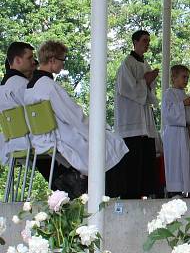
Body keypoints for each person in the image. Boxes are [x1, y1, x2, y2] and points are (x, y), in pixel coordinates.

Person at [25, 41, 128, 195]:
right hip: (61, 138)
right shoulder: (49, 86)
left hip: (41, 138)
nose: (63, 65)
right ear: (52, 60)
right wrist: (99, 128)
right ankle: (109, 195)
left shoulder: (29, 88)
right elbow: (74, 116)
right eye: (62, 60)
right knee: (113, 142)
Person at [111, 30, 160, 198]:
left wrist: (150, 81)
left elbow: (148, 92)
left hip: (143, 119)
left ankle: (143, 192)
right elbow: (127, 88)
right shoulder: (127, 64)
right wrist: (146, 81)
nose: (147, 43)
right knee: (132, 159)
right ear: (135, 42)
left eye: (149, 40)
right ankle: (129, 194)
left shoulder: (144, 64)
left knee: (144, 158)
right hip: (131, 119)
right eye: (144, 40)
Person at [162, 64, 190, 196]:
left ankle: (187, 188)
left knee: (185, 160)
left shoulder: (184, 94)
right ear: (174, 77)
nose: (186, 80)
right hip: (173, 134)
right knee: (175, 161)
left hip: (185, 133)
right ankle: (174, 190)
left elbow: (189, 115)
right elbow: (168, 114)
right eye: (184, 77)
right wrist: (183, 104)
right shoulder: (168, 93)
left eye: (187, 77)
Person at [1, 42, 37, 166]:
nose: (33, 61)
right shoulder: (22, 85)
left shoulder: (3, 87)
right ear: (17, 60)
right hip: (31, 140)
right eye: (30, 58)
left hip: (13, 141)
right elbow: (37, 114)